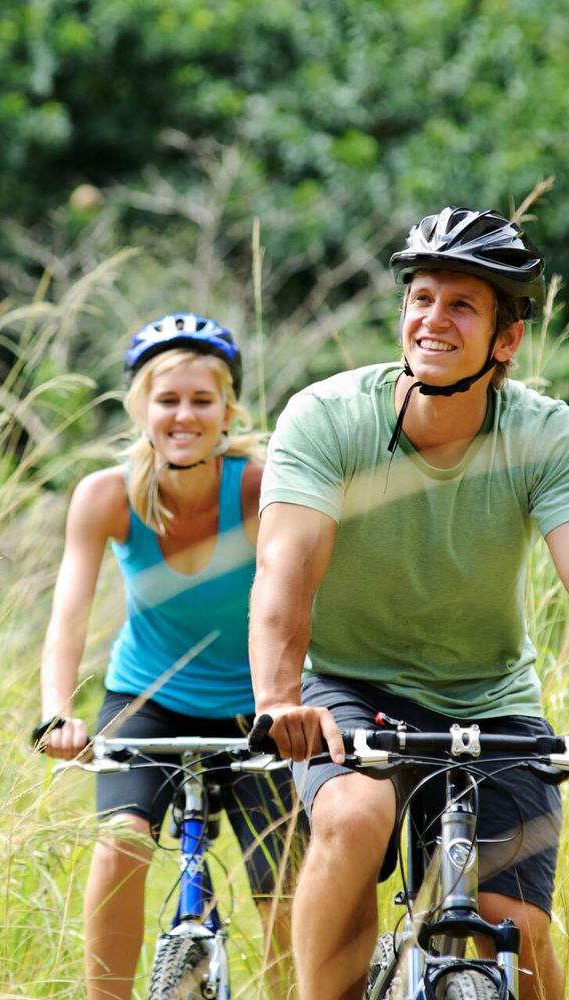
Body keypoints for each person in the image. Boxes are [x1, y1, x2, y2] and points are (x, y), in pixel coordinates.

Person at [249, 206, 569, 1000]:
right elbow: (285, 573)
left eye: (462, 304)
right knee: (354, 818)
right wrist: (279, 700)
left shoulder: (545, 434)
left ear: (506, 340)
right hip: (356, 688)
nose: (432, 318)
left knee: (519, 931)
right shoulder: (328, 419)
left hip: (492, 701)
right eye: (420, 297)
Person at [36, 313, 299, 1000]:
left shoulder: (260, 489)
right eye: (168, 399)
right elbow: (68, 615)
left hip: (256, 706)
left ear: (227, 410)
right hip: (147, 700)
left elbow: (306, 597)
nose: (184, 415)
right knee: (122, 842)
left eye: (201, 400)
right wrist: (56, 715)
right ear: (141, 408)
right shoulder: (106, 494)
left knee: (285, 885)